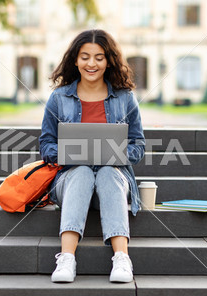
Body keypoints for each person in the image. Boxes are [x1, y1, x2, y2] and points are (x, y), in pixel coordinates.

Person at [39, 29, 145, 283]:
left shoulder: (125, 98)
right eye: (85, 57)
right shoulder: (59, 98)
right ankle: (66, 258)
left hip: (113, 182)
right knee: (83, 170)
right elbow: (46, 145)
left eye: (99, 57)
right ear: (75, 60)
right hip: (72, 182)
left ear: (108, 61)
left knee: (108, 171)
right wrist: (69, 155)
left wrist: (113, 155)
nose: (91, 64)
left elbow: (138, 146)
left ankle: (122, 259)